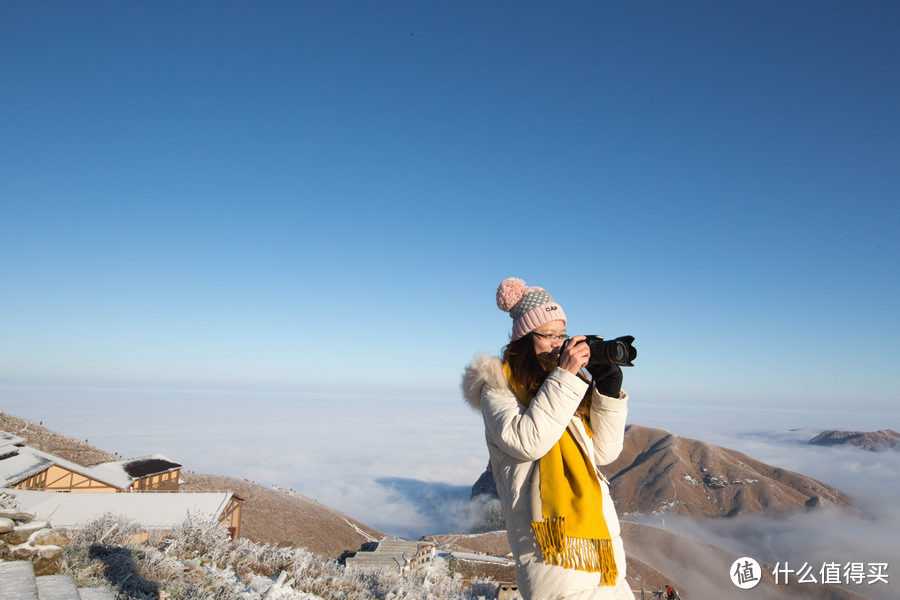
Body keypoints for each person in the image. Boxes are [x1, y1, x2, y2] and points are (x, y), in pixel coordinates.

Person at [462, 278, 633, 600]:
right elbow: (527, 441)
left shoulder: (560, 385)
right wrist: (566, 376)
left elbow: (604, 453)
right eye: (548, 335)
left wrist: (607, 389)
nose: (558, 343)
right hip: (549, 547)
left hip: (599, 539)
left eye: (562, 334)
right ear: (525, 338)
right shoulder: (498, 385)